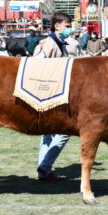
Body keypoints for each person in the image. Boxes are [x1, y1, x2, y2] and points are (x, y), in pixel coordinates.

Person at [33, 12, 72, 181]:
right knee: (65, 131)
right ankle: (44, 167)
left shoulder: (59, 43)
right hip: (48, 96)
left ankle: (43, 170)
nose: (70, 29)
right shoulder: (48, 44)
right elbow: (35, 66)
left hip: (53, 95)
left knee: (48, 135)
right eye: (67, 26)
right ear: (57, 26)